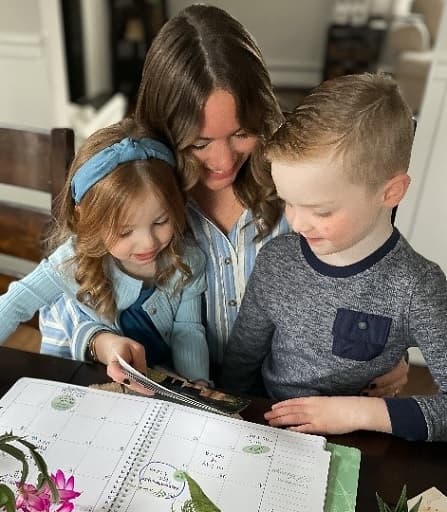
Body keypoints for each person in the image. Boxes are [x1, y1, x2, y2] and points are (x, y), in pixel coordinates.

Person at [39, 4, 407, 396]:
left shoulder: (300, 191)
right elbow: (60, 304)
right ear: (165, 131)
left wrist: (383, 348)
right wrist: (98, 340)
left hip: (284, 402)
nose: (223, 160)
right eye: (199, 143)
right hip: (170, 400)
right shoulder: (137, 194)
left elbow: (365, 278)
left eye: (241, 133)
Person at [222, 72, 447, 442]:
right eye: (287, 203)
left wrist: (359, 412)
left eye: (321, 211)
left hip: (357, 439)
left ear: (390, 193)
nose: (296, 223)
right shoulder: (277, 260)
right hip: (266, 427)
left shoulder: (417, 287)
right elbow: (240, 364)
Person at [0, 119, 209, 383]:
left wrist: (198, 387)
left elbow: (188, 331)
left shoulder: (188, 260)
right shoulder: (71, 261)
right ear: (88, 219)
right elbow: (16, 302)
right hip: (79, 381)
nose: (148, 244)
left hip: (150, 388)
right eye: (124, 231)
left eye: (160, 222)